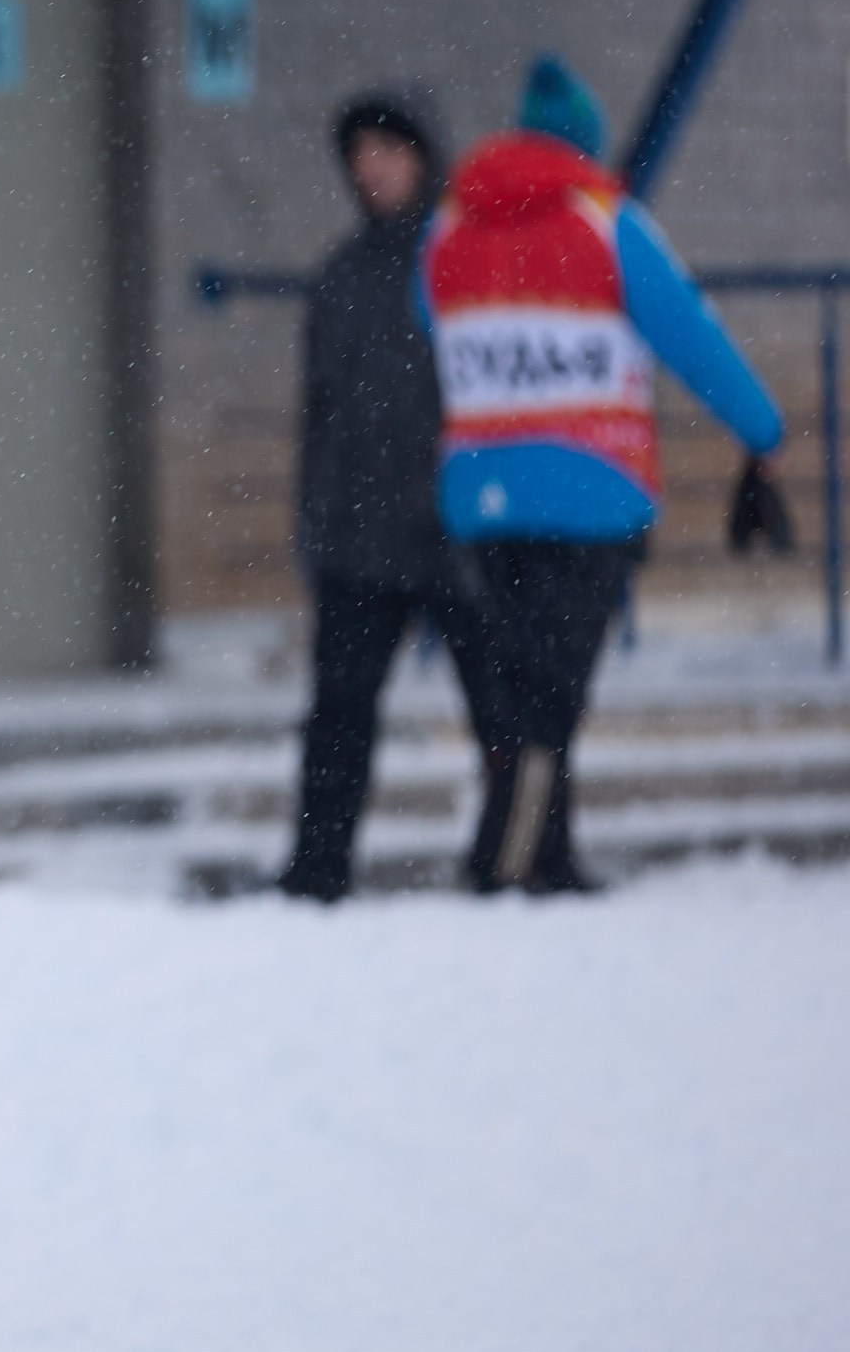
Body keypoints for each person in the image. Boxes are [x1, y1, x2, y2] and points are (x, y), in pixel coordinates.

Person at [421, 54, 784, 893]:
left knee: (516, 680)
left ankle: (532, 851)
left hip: (478, 491)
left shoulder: (448, 226)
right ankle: (516, 863)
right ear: (584, 144)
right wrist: (761, 428)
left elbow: (425, 315)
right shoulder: (606, 219)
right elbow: (691, 334)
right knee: (551, 689)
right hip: (590, 489)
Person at [278, 88, 501, 902]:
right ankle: (317, 869)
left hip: (460, 529)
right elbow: (319, 417)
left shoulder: (467, 262)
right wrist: (314, 525)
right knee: (338, 717)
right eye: (360, 155)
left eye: (389, 151)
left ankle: (512, 860)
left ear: (425, 155)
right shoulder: (341, 275)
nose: (372, 169)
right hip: (360, 541)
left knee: (502, 711)